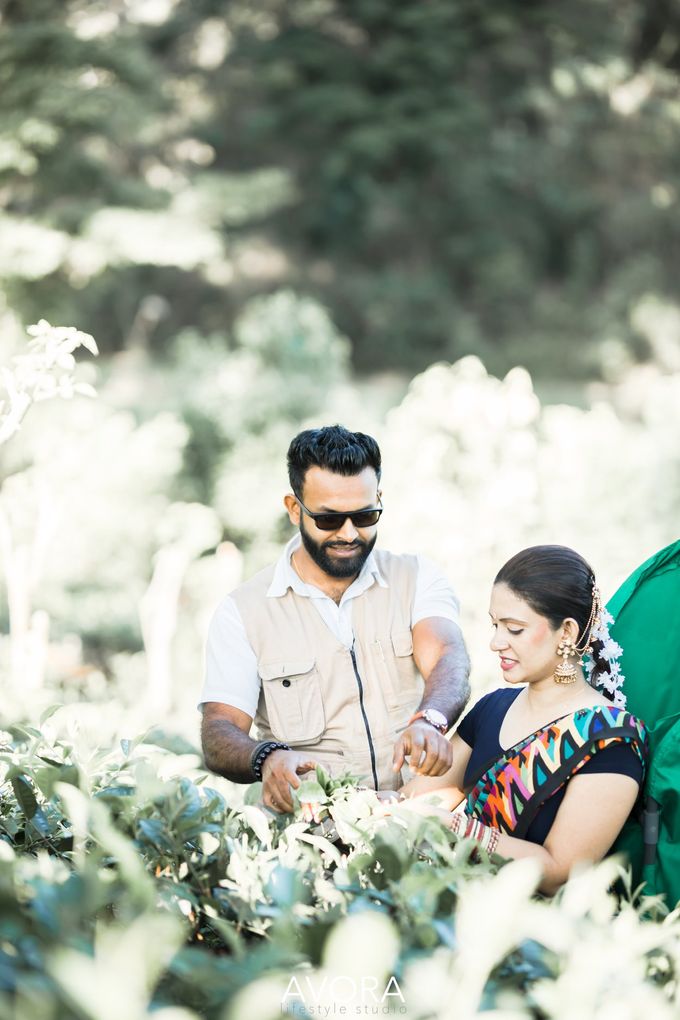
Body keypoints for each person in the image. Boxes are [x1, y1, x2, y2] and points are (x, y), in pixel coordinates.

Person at [200, 425, 471, 813]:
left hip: (416, 816)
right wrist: (267, 757)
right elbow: (218, 732)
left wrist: (430, 721)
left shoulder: (417, 577)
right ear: (295, 509)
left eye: (364, 516)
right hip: (309, 834)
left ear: (379, 500)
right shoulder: (241, 611)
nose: (348, 533)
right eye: (329, 520)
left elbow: (448, 654)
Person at [400, 545, 648, 894]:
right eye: (494, 625)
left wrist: (457, 828)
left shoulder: (610, 739)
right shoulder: (493, 707)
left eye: (513, 629)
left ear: (567, 633)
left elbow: (559, 872)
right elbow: (422, 801)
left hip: (533, 932)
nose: (495, 642)